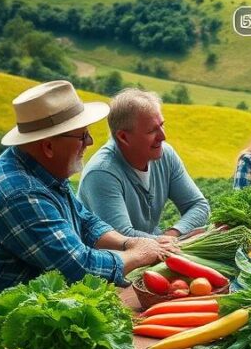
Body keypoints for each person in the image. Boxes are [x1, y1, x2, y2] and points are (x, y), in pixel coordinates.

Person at [0, 81, 175, 349]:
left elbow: (86, 222)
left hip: (12, 332)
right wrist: (140, 254)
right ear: (48, 145)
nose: (90, 141)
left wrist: (128, 244)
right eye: (82, 135)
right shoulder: (20, 193)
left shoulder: (41, 171)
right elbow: (78, 266)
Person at [78, 89, 210, 239]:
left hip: (155, 249)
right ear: (123, 137)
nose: (163, 136)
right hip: (114, 259)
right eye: (152, 131)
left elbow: (199, 206)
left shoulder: (166, 155)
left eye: (162, 125)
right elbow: (122, 237)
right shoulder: (102, 172)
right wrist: (170, 241)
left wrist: (173, 234)